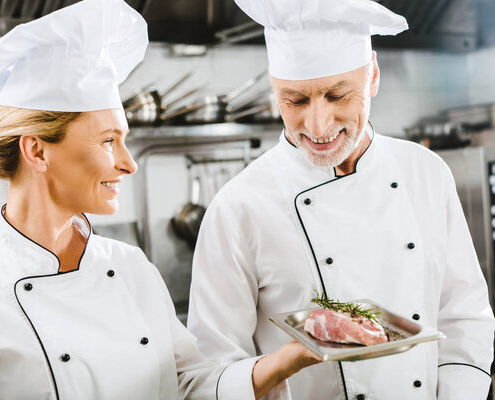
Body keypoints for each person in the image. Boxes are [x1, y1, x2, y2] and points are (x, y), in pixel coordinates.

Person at [0, 1, 322, 399]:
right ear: (37, 151)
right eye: (107, 141)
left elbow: (189, 384)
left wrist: (291, 357)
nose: (129, 164)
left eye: (125, 140)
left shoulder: (131, 268)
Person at [187, 0, 495, 399]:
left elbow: (464, 314)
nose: (317, 126)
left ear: (372, 78)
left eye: (337, 95)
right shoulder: (237, 208)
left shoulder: (426, 172)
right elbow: (212, 370)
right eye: (295, 101)